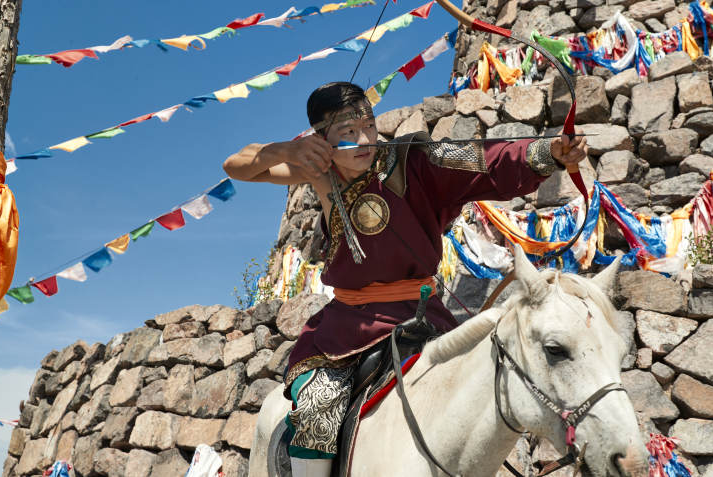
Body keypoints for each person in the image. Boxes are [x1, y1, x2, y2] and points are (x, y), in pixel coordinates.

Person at [223, 81, 587, 477]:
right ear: (321, 140)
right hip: (346, 327)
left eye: (368, 125)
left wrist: (548, 152)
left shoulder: (414, 162)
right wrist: (285, 150)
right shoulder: (318, 171)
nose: (364, 139)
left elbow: (481, 159)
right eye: (347, 132)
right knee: (317, 409)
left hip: (421, 314)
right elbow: (237, 164)